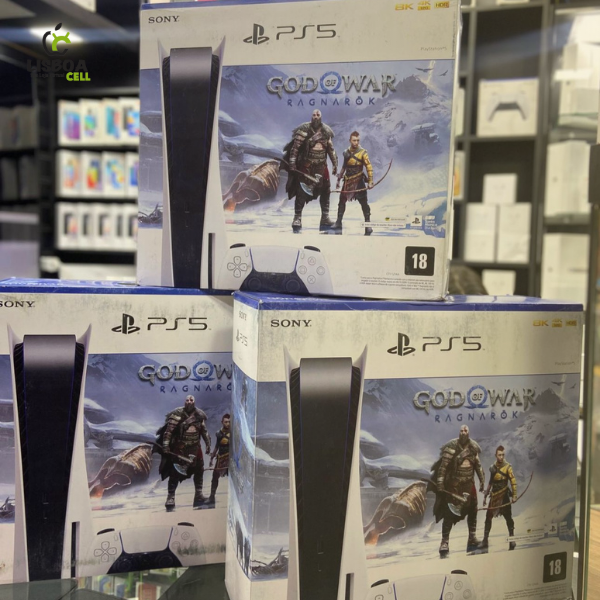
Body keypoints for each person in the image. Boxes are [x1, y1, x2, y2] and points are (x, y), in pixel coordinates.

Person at [431, 425, 484, 556]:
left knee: (473, 509)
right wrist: (440, 483)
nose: (463, 433)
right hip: (455, 485)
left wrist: (482, 480)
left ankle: (472, 538)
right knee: (449, 512)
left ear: (468, 433)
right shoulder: (451, 446)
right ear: (459, 433)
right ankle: (444, 541)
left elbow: (477, 465)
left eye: (465, 431)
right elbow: (443, 467)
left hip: (469, 484)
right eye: (461, 431)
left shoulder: (473, 447)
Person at [283, 109, 338, 232]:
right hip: (307, 166)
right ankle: (297, 217)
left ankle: (325, 218)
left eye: (318, 115)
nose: (316, 117)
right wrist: (292, 163)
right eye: (314, 115)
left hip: (322, 166)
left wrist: (335, 164)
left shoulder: (326, 131)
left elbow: (331, 149)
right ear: (311, 117)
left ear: (321, 117)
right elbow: (295, 149)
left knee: (326, 190)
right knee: (301, 191)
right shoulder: (304, 129)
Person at [157, 395, 211, 511]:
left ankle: (198, 495)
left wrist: (208, 444)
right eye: (187, 400)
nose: (189, 402)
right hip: (181, 448)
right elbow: (168, 432)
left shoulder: (199, 415)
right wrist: (166, 445)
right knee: (175, 472)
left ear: (194, 402)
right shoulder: (177, 414)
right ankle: (170, 497)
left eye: (191, 400)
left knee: (199, 470)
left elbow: (204, 431)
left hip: (195, 448)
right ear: (184, 402)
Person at [334, 131, 374, 235]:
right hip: (347, 181)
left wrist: (370, 181)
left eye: (357, 140)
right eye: (354, 140)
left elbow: (368, 167)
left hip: (359, 181)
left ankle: (368, 225)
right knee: (341, 201)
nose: (356, 142)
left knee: (364, 203)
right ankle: (338, 222)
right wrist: (338, 180)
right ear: (350, 141)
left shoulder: (363, 152)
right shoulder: (346, 152)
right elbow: (344, 167)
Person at [481, 445, 517, 550]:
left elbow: (513, 481)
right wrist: (485, 496)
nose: (501, 457)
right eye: (499, 455)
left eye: (502, 455)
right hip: (494, 496)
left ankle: (512, 540)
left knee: (508, 518)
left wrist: (514, 495)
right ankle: (485, 541)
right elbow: (490, 482)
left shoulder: (508, 467)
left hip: (504, 495)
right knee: (488, 518)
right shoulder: (493, 467)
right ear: (496, 455)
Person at [209, 413, 231, 504]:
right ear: (222, 422)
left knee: (235, 478)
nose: (228, 424)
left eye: (229, 422)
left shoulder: (234, 432)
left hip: (231, 459)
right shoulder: (219, 433)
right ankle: (212, 497)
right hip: (221, 458)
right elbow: (216, 446)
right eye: (226, 422)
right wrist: (211, 458)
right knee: (215, 477)